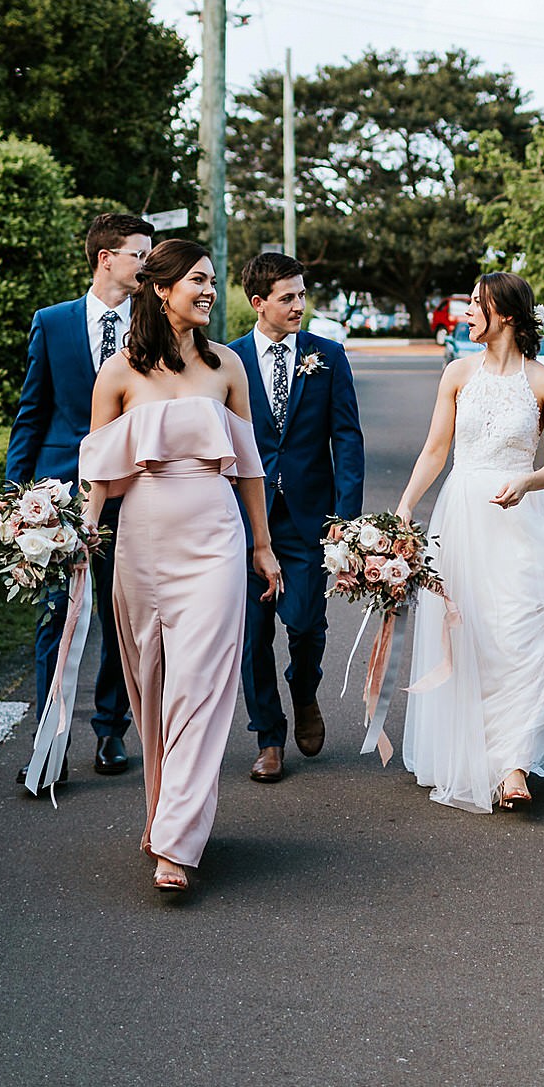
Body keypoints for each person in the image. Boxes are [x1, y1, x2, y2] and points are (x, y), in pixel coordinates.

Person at [79, 240, 285, 893]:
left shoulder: (227, 367)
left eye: (212, 281)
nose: (209, 291)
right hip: (141, 545)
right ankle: (164, 814)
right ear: (161, 289)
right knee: (154, 689)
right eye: (198, 280)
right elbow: (99, 476)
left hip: (215, 541)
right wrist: (77, 537)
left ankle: (177, 846)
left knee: (200, 685)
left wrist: (261, 543)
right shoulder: (117, 374)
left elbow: (250, 465)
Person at [395, 273, 544, 812]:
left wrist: (527, 482)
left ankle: (515, 762)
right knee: (471, 631)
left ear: (505, 313)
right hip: (463, 517)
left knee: (523, 632)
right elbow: (436, 449)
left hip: (522, 517)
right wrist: (407, 504)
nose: (468, 314)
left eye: (477, 305)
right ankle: (479, 753)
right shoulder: (458, 373)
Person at [5, 212, 152, 786]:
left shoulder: (154, 323)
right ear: (106, 258)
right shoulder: (53, 322)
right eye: (138, 253)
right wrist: (17, 497)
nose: (146, 263)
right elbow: (31, 413)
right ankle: (50, 742)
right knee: (55, 618)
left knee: (120, 616)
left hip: (132, 494)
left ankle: (111, 729)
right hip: (59, 498)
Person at [228, 251, 366, 782]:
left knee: (306, 624)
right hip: (244, 520)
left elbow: (347, 439)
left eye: (303, 295)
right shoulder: (229, 360)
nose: (299, 306)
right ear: (259, 303)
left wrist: (345, 520)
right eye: (288, 297)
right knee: (252, 635)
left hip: (310, 521)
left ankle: (304, 691)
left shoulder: (328, 356)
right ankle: (268, 737)